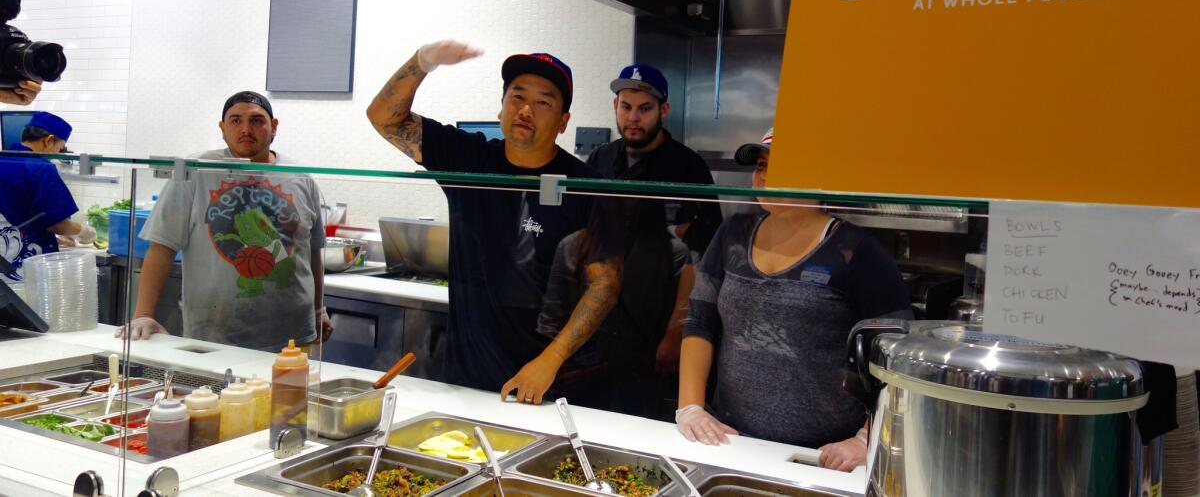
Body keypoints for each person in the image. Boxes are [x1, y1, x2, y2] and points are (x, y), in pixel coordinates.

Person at [367, 41, 620, 403]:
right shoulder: (468, 158)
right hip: (466, 379)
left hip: (548, 384)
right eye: (517, 96)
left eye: (544, 101)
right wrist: (423, 61)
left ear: (563, 122)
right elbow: (384, 118)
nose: (526, 109)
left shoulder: (586, 186)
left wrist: (550, 360)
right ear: (502, 107)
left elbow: (605, 285)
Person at [676, 128, 913, 472]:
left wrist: (867, 436)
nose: (764, 176)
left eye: (781, 166)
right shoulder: (733, 234)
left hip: (822, 456)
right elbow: (700, 321)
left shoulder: (856, 250)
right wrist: (691, 407)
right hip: (731, 441)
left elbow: (897, 354)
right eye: (760, 165)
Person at [115, 91, 334, 351]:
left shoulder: (300, 178)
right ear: (222, 128)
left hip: (292, 335)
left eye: (256, 121)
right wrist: (143, 315)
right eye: (235, 121)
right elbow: (162, 247)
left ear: (273, 127)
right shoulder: (194, 172)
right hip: (213, 333)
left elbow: (313, 253)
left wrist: (319, 309)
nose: (246, 129)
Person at [578, 63, 722, 419]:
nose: (633, 118)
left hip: (656, 330)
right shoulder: (600, 159)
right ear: (615, 107)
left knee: (644, 426)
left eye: (644, 109)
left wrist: (676, 334)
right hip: (600, 322)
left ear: (664, 110)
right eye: (626, 107)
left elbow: (700, 259)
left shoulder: (688, 168)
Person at [0, 111, 96, 272]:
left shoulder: (4, 159)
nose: (58, 153)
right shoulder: (41, 168)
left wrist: (56, 238)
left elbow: (25, 215)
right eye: (60, 148)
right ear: (49, 140)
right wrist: (83, 232)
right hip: (23, 262)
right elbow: (59, 224)